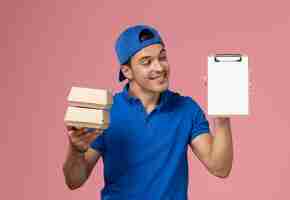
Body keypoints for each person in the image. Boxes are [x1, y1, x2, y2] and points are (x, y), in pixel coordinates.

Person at [63, 25, 233, 200]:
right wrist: (76, 150)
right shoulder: (108, 110)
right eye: (146, 62)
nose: (159, 68)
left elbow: (220, 167)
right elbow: (74, 181)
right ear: (127, 71)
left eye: (162, 57)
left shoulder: (186, 109)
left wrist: (222, 117)